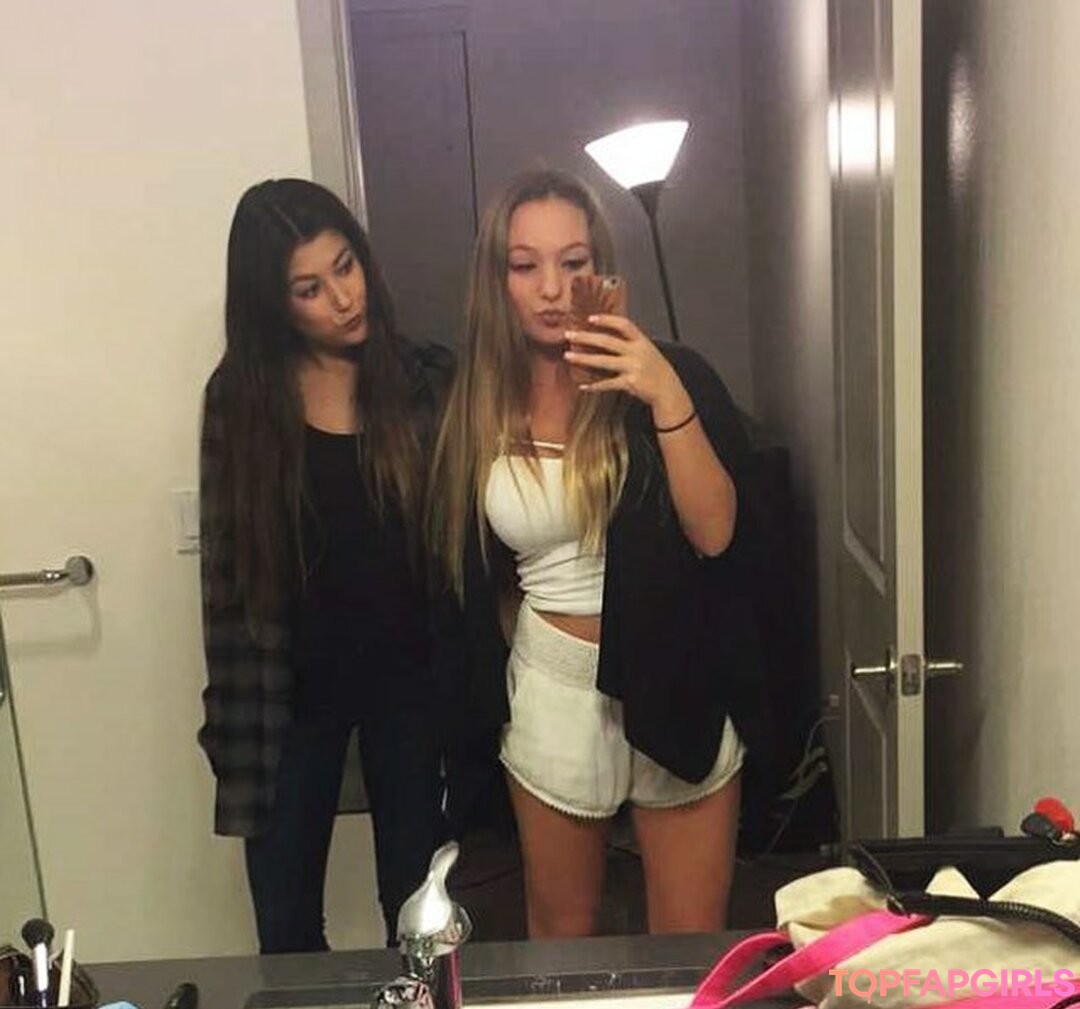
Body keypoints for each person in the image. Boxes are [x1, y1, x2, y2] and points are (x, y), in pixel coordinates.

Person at [427, 168, 764, 938]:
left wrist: (663, 391)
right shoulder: (476, 401)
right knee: (560, 945)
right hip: (554, 684)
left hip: (674, 679)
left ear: (602, 269)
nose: (552, 288)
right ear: (497, 279)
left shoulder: (671, 374)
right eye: (525, 265)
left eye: (573, 262)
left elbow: (715, 532)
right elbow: (476, 577)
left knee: (689, 947)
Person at [197, 178, 452, 952]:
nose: (344, 298)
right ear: (273, 304)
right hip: (289, 694)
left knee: (420, 917)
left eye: (346, 266)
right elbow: (227, 579)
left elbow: (462, 551)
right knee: (285, 925)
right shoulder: (240, 400)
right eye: (310, 288)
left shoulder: (421, 379)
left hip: (410, 686)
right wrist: (226, 728)